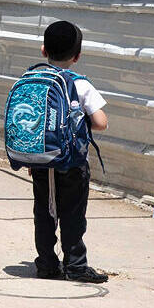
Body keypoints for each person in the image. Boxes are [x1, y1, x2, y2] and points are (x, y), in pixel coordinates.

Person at [29, 21, 110, 284]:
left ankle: (46, 264)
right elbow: (100, 122)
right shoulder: (81, 85)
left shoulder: (32, 79)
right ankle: (75, 265)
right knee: (73, 214)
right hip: (73, 163)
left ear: (43, 51)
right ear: (77, 56)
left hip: (41, 160)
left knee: (43, 212)